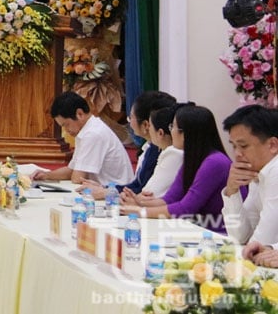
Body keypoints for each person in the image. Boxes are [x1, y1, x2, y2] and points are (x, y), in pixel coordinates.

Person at [121, 103, 233, 233]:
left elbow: (185, 208)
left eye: (172, 126)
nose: (170, 131)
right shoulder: (192, 158)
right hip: (196, 230)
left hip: (217, 234)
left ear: (185, 134)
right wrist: (138, 202)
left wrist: (141, 211)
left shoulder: (215, 162)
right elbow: (170, 199)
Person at [78, 91, 176, 199]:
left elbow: (144, 191)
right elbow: (136, 185)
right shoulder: (150, 148)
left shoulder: (161, 152)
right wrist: (105, 188)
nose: (129, 122)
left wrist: (107, 192)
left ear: (146, 125)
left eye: (131, 117)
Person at [31, 91, 132, 185]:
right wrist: (46, 175)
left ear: (79, 114)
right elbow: (72, 170)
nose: (66, 130)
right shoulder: (87, 130)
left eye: (66, 125)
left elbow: (77, 178)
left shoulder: (93, 134)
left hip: (115, 195)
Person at [219, 105, 278, 261]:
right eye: (233, 146)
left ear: (272, 145)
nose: (237, 154)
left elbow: (261, 242)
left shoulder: (276, 171)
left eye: (243, 146)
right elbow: (240, 236)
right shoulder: (258, 173)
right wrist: (232, 190)